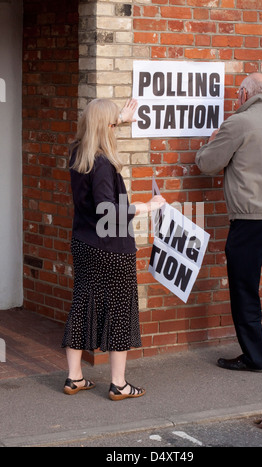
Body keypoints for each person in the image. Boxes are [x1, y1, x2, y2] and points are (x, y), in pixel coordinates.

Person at [62, 98, 166, 399]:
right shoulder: (103, 164)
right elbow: (107, 209)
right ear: (107, 127)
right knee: (119, 310)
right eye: (114, 124)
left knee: (82, 303)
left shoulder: (78, 153)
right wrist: (145, 206)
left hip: (83, 242)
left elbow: (97, 126)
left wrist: (117, 118)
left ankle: (75, 378)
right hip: (111, 246)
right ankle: (119, 384)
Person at [195, 73, 262, 372]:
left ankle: (254, 357)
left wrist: (209, 142)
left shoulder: (238, 123)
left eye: (237, 93)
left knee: (245, 288)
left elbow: (207, 164)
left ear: (244, 94)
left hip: (251, 218)